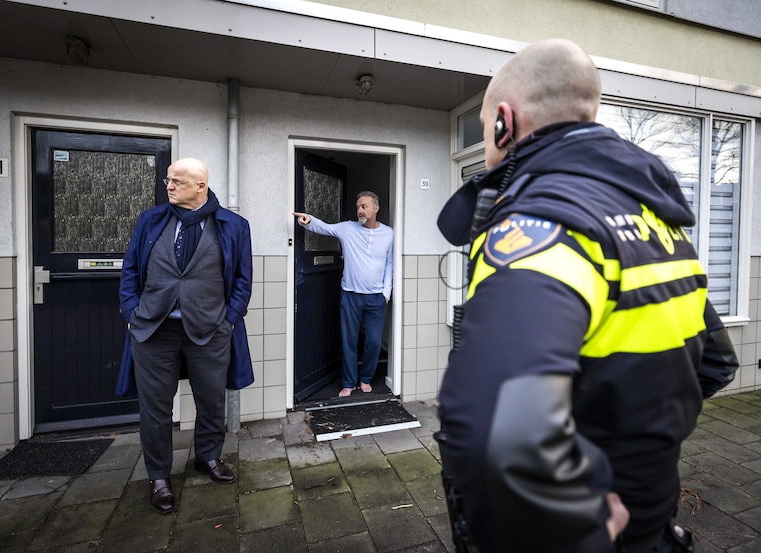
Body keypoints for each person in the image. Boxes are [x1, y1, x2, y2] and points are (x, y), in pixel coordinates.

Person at [435, 39, 738, 552]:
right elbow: (714, 364)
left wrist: (574, 525)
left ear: (505, 122)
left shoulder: (543, 223)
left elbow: (495, 430)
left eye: (487, 129)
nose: (488, 145)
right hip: (653, 517)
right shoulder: (660, 225)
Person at [118, 157, 253, 514]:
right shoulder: (151, 220)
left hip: (210, 331)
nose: (169, 185)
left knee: (211, 401)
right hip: (154, 330)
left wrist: (230, 320)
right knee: (155, 409)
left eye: (177, 181)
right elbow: (131, 267)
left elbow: (242, 280)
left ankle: (207, 457)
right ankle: (159, 476)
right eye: (168, 180)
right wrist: (131, 312)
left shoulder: (233, 226)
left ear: (200, 187)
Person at [293, 191, 394, 397]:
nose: (359, 210)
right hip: (350, 295)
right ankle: (348, 383)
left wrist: (386, 293)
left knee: (374, 342)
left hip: (376, 298)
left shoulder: (389, 234)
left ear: (376, 208)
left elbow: (390, 264)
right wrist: (308, 220)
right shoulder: (348, 228)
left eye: (364, 206)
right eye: (358, 206)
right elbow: (325, 228)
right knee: (348, 340)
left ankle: (365, 378)